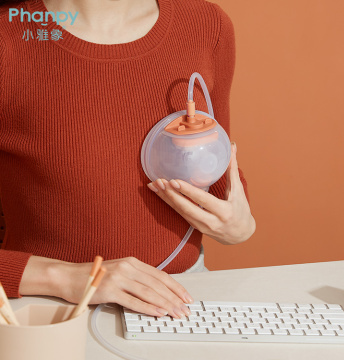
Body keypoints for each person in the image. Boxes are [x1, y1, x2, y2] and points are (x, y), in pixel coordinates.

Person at [0, 0, 255, 319]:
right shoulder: (9, 37)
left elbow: (214, 170)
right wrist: (66, 277)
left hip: (181, 298)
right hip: (49, 310)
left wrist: (238, 224)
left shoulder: (207, 26)